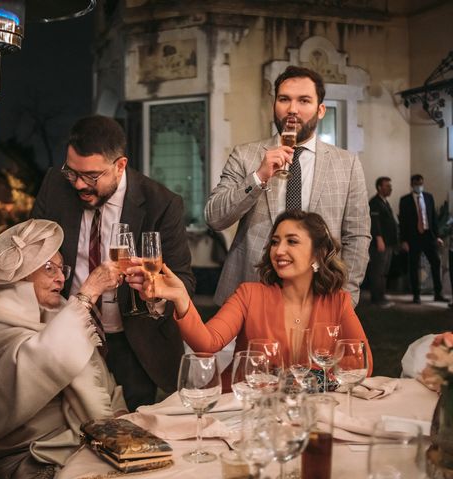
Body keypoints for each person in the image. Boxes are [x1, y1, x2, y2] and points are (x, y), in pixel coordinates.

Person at [28, 114, 195, 411]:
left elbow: (184, 280)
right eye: (72, 172)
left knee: (127, 436)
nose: (79, 184)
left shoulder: (162, 203)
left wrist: (154, 294)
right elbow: (26, 259)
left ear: (120, 165)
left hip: (133, 346)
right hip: (66, 335)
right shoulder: (55, 186)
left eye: (91, 176)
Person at [128, 210, 373, 389]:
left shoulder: (337, 302)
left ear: (317, 254)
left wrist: (309, 383)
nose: (279, 251)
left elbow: (362, 364)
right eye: (275, 242)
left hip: (305, 412)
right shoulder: (250, 294)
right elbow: (207, 343)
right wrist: (180, 296)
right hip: (240, 407)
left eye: (292, 242)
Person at [0, 219, 127, 479]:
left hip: (77, 442)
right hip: (26, 456)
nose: (61, 278)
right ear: (23, 275)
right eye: (49, 268)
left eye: (62, 269)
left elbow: (99, 375)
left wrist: (120, 420)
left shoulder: (60, 311)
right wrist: (87, 294)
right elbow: (42, 358)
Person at [205, 65, 370, 307]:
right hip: (250, 295)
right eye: (284, 99)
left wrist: (346, 296)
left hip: (318, 295)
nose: (292, 109)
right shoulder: (245, 155)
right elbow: (215, 217)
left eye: (304, 100)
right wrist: (259, 177)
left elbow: (357, 236)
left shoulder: (347, 163)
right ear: (274, 105)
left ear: (320, 110)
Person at [398, 174, 448, 304]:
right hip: (413, 238)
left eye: (421, 183)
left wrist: (437, 236)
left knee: (435, 263)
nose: (419, 186)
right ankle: (416, 295)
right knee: (413, 266)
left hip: (428, 236)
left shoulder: (428, 197)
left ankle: (438, 293)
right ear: (412, 184)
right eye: (416, 183)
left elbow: (433, 219)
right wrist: (403, 240)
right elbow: (402, 222)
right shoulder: (405, 200)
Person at [368, 177, 399, 307]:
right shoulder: (375, 202)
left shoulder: (384, 202)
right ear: (379, 187)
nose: (390, 188)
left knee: (384, 271)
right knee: (378, 270)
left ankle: (381, 295)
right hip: (380, 243)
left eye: (390, 186)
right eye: (387, 186)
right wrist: (379, 239)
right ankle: (377, 298)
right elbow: (375, 223)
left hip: (389, 243)